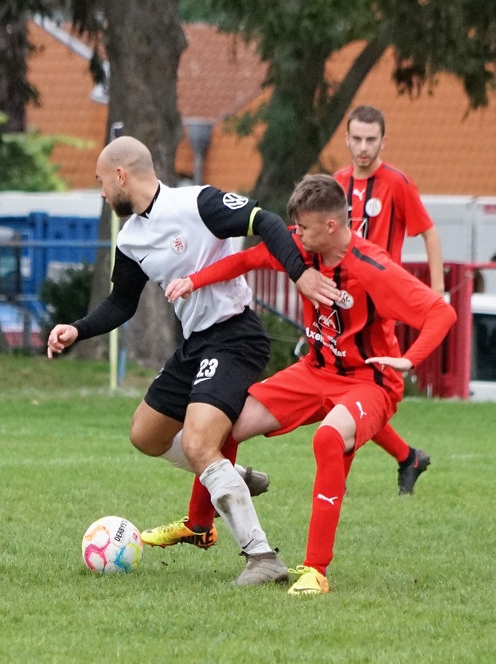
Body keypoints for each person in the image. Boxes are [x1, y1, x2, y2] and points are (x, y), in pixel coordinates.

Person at [46, 136, 339, 587]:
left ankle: (261, 556)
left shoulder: (196, 203)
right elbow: (122, 303)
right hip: (195, 343)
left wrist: (299, 275)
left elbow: (266, 220)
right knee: (146, 434)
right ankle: (228, 474)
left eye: (101, 182)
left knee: (201, 444)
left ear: (121, 175)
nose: (101, 193)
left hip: (236, 337)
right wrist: (77, 329)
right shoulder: (131, 238)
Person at [164, 174, 456, 594]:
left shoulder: (372, 267)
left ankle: (316, 570)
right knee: (224, 423)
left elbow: (441, 313)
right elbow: (245, 261)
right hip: (314, 371)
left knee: (328, 439)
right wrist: (195, 280)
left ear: (331, 226)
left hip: (369, 382)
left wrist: (410, 359)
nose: (294, 234)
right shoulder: (300, 249)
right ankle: (199, 525)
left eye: (302, 226)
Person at [335, 104, 442, 493]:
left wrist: (436, 290)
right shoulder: (336, 183)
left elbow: (428, 232)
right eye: (357, 139)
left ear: (383, 141)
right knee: (347, 386)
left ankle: (338, 479)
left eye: (371, 139)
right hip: (342, 302)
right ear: (346, 139)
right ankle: (408, 457)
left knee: (357, 387)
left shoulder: (397, 183)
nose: (363, 147)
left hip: (378, 307)